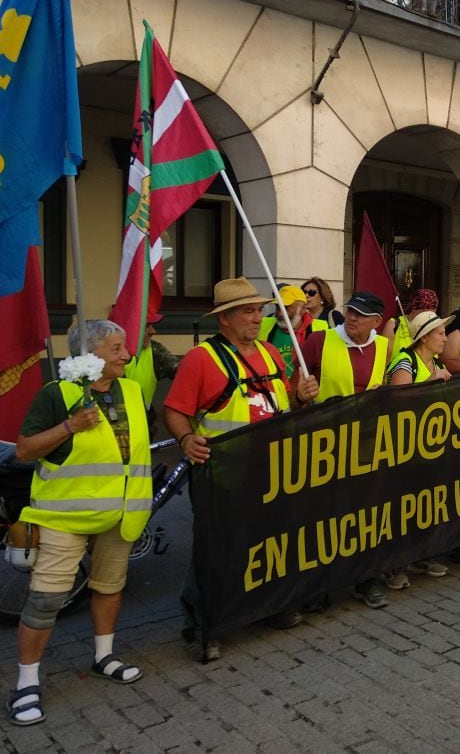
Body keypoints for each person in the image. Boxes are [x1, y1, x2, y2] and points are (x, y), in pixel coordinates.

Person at [164, 278, 318, 661]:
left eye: (259, 310)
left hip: (272, 470)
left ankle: (271, 606)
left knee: (270, 539)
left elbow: (284, 404)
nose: (258, 316)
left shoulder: (268, 352)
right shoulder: (203, 359)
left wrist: (300, 397)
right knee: (218, 547)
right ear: (226, 319)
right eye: (248, 311)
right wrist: (185, 440)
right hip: (223, 474)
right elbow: (174, 410)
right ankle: (204, 623)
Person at [9, 321, 151, 726]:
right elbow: (23, 450)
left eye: (124, 347)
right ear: (89, 355)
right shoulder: (58, 393)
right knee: (46, 599)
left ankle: (103, 656)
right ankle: (26, 682)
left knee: (109, 588)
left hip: (121, 514)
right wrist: (70, 425)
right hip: (64, 517)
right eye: (116, 348)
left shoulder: (133, 391)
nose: (126, 354)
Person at [298, 291, 391, 608]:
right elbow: (292, 385)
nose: (352, 317)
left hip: (366, 442)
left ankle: (367, 578)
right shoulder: (320, 341)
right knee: (323, 515)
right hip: (325, 444)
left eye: (360, 314)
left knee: (365, 513)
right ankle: (318, 584)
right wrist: (299, 393)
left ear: (377, 322)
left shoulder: (382, 346)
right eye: (350, 311)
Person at [384, 310, 454, 589]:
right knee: (402, 504)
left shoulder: (434, 361)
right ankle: (395, 565)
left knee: (427, 501)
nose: (444, 338)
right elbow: (399, 401)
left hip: (428, 444)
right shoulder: (405, 361)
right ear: (424, 337)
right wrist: (431, 381)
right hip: (404, 445)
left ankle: (421, 555)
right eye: (440, 333)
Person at [120, 311, 178, 437]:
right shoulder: (102, 357)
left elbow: (180, 371)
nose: (153, 331)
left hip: (142, 425)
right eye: (146, 326)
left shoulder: (154, 350)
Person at [258, 284, 326, 377]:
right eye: (278, 307)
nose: (280, 313)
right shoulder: (263, 324)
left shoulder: (321, 329)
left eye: (287, 308)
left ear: (303, 308)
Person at [382, 288, 439, 361]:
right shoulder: (393, 325)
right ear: (413, 308)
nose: (426, 317)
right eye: (422, 311)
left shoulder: (435, 326)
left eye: (431, 313)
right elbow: (384, 360)